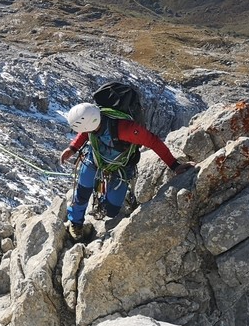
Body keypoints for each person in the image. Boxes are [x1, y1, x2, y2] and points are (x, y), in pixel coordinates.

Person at [60, 102, 194, 241]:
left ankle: (116, 198)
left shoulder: (126, 130)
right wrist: (73, 148)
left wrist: (174, 165)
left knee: (111, 210)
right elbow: (87, 131)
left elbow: (153, 141)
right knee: (82, 192)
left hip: (121, 167)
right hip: (96, 157)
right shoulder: (94, 120)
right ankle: (76, 222)